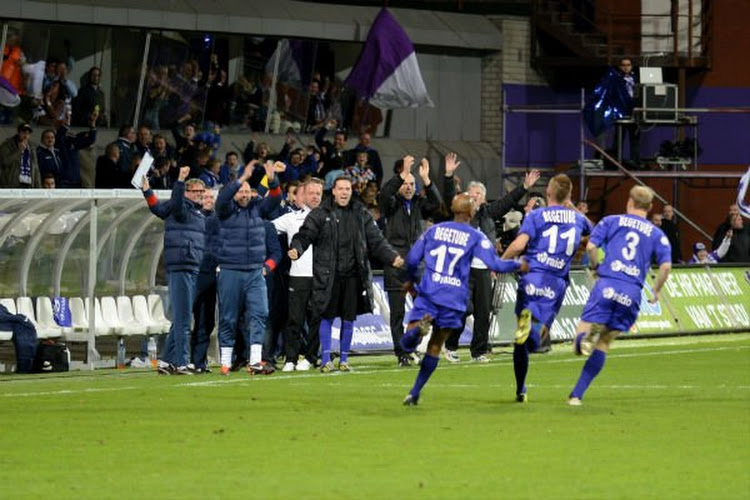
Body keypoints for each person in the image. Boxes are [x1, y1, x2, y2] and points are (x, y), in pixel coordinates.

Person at [400, 193, 526, 405]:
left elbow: (412, 259)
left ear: (452, 209)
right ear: (471, 212)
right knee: (436, 345)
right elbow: (495, 265)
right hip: (454, 299)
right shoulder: (476, 237)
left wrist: (411, 282)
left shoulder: (433, 230)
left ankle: (416, 331)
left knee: (407, 343)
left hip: (430, 292)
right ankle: (414, 392)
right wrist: (518, 264)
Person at [568, 186, 672, 405]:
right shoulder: (656, 233)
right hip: (632, 291)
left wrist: (596, 266)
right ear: (650, 207)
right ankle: (576, 395)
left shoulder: (611, 221)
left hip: (607, 283)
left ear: (629, 202)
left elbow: (591, 247)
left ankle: (581, 339)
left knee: (582, 334)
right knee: (604, 342)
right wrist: (656, 290)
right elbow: (665, 267)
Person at [289, 175, 403, 372]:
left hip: (353, 277)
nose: (344, 192)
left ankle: (343, 360)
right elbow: (305, 234)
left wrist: (392, 257)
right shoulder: (320, 213)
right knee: (326, 317)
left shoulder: (361, 213)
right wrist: (297, 248)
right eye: (340, 189)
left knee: (349, 318)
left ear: (351, 192)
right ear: (333, 191)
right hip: (328, 276)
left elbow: (376, 240)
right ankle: (325, 360)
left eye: (347, 189)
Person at [502, 174, 592, 403]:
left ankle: (521, 388)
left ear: (548, 193)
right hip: (556, 283)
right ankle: (534, 331)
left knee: (521, 339)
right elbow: (594, 237)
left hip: (531, 277)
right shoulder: (577, 219)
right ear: (569, 195)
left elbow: (519, 244)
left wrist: (501, 262)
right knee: (536, 334)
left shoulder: (536, 215)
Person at [442, 154, 542, 363]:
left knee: (482, 312)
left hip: (484, 270)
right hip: (462, 270)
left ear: (484, 198)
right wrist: (449, 175)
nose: (475, 196)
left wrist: (523, 187)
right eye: (472, 193)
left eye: (479, 194)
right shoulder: (460, 214)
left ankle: (478, 351)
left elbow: (507, 202)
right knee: (462, 308)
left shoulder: (488, 214)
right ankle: (450, 346)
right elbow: (449, 195)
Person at [215, 160, 282, 375]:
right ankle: (225, 361)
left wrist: (272, 180)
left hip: (254, 271)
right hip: (230, 270)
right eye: (241, 191)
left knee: (260, 313)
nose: (244, 194)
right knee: (229, 316)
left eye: (247, 191)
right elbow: (223, 198)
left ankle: (255, 360)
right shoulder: (225, 210)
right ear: (234, 193)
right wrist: (242, 179)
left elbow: (276, 198)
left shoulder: (257, 209)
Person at [142, 167, 206, 375]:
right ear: (186, 193)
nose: (199, 195)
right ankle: (181, 362)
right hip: (182, 265)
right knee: (184, 318)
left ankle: (167, 361)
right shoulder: (181, 207)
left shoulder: (195, 211)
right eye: (195, 191)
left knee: (181, 316)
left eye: (201, 192)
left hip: (190, 265)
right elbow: (174, 204)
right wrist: (179, 180)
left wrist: (147, 192)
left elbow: (158, 209)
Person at [379, 155, 441, 366]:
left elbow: (437, 203)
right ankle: (402, 353)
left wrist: (426, 179)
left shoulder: (418, 204)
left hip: (417, 267)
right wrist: (403, 172)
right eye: (405, 183)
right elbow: (385, 193)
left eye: (411, 184)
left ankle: (412, 345)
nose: (408, 187)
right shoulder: (390, 204)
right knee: (397, 313)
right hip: (395, 264)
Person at [0, 123, 40, 188]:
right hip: (12, 184)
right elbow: (4, 162)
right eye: (23, 132)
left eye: (28, 133)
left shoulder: (32, 147)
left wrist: (38, 186)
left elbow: (36, 167)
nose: (26, 135)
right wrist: (18, 150)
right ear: (18, 132)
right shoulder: (7, 145)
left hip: (29, 184)